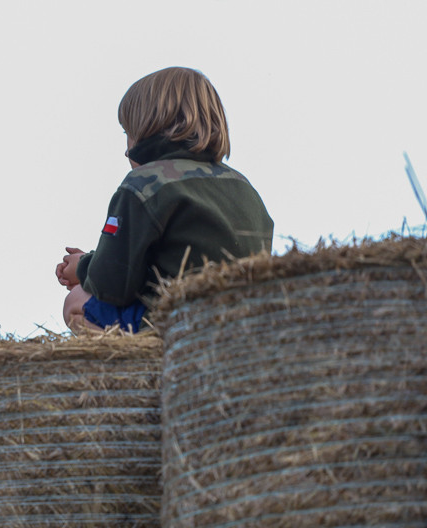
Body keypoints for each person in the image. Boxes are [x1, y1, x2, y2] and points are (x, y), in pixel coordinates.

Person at [56, 66, 274, 332]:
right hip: (240, 325)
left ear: (146, 129)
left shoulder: (144, 184)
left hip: (174, 326)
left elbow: (112, 285)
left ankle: (137, 369)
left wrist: (83, 268)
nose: (126, 151)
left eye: (128, 133)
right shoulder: (242, 185)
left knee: (76, 301)